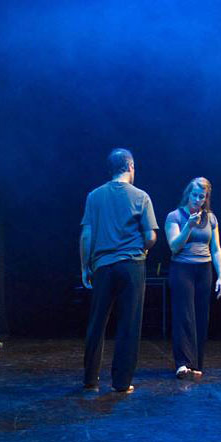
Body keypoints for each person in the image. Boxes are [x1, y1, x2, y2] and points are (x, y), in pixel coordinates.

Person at [79, 148, 158, 393]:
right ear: (131, 166)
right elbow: (151, 235)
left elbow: (87, 234)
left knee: (97, 323)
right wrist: (144, 249)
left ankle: (91, 379)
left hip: (103, 266)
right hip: (131, 265)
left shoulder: (94, 196)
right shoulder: (141, 196)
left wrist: (85, 266)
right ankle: (122, 382)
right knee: (128, 324)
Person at [164, 177, 221, 379]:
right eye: (195, 195)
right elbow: (174, 246)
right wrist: (189, 226)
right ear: (188, 194)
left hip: (204, 269)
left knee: (200, 316)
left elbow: (215, 249)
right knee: (184, 316)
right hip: (182, 269)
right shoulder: (175, 216)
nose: (198, 200)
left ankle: (196, 363)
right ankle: (182, 363)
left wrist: (220, 276)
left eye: (202, 196)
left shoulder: (211, 218)